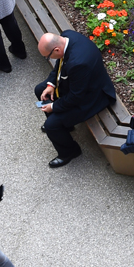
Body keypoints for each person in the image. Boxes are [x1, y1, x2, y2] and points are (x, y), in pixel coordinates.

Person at [36, 29, 117, 167]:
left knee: (51, 126)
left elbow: (76, 97)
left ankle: (70, 152)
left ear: (56, 49)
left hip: (93, 96)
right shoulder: (66, 36)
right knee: (40, 90)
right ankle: (64, 126)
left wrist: (53, 107)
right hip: (79, 84)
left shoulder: (78, 63)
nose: (49, 59)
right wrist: (51, 84)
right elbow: (60, 62)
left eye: (48, 57)